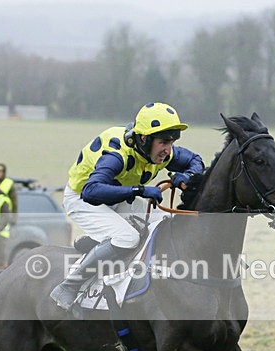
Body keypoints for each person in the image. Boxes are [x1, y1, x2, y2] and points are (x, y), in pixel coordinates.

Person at [50, 102, 204, 310]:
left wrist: (186, 175)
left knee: (165, 221)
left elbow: (195, 161)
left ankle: (103, 244)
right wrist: (139, 191)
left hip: (116, 198)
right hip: (82, 199)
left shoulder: (156, 149)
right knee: (127, 238)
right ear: (144, 138)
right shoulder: (117, 155)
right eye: (163, 142)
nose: (168, 151)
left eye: (172, 142)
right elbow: (91, 191)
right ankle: (69, 286)